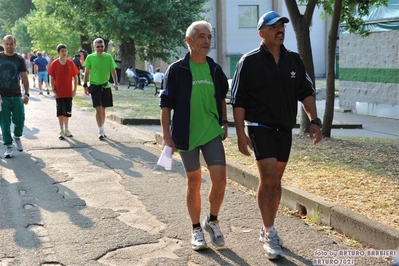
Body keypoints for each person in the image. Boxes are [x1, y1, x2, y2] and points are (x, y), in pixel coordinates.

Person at [230, 11, 323, 260]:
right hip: (260, 126)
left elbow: (306, 92)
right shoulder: (248, 62)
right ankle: (269, 231)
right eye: (273, 27)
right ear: (261, 33)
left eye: (282, 26)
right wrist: (240, 133)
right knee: (269, 178)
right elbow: (238, 101)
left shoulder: (294, 60)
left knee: (277, 180)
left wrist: (314, 120)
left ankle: (267, 226)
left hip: (285, 127)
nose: (280, 29)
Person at [159, 20, 229, 251]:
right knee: (194, 181)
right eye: (201, 36)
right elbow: (166, 104)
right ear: (188, 41)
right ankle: (196, 229)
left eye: (208, 36)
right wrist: (166, 137)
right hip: (186, 134)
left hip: (211, 131)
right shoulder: (177, 70)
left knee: (220, 180)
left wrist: (224, 121)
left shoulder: (215, 69)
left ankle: (213, 221)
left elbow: (221, 97)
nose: (206, 40)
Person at [83, 38, 118, 140]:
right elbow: (86, 72)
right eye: (98, 47)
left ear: (104, 47)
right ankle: (100, 130)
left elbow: (113, 70)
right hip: (94, 86)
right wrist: (85, 85)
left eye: (101, 46)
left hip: (105, 86)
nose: (100, 48)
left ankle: (102, 128)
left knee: (103, 109)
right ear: (94, 47)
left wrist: (115, 82)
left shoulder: (108, 57)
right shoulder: (90, 57)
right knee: (98, 108)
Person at [0, 35, 30, 158]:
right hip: (3, 97)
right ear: (3, 44)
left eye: (11, 44)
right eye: (7, 44)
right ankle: (8, 146)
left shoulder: (19, 59)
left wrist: (26, 94)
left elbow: (24, 77)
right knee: (4, 123)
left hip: (16, 95)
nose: (9, 46)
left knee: (20, 119)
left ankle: (17, 136)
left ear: (15, 45)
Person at [48, 44, 80, 140]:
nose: (64, 53)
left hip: (68, 92)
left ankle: (67, 129)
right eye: (62, 51)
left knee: (67, 112)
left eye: (65, 51)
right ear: (58, 52)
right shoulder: (54, 63)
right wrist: (54, 91)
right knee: (60, 112)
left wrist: (74, 90)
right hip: (59, 93)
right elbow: (52, 78)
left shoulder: (70, 63)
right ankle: (61, 130)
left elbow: (75, 77)